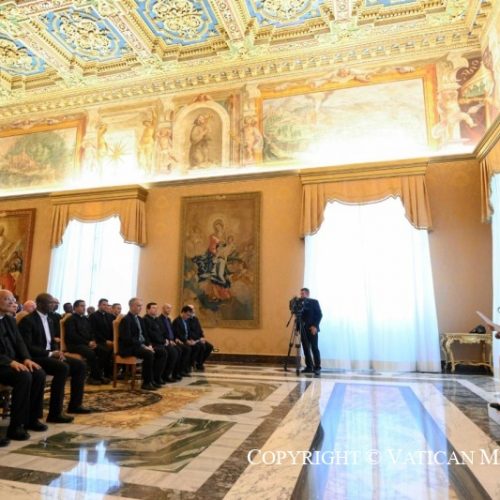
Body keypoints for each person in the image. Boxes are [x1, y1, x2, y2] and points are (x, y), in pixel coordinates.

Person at [18, 293, 92, 423]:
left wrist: (57, 351)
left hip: (49, 355)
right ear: (40, 304)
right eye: (50, 303)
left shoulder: (50, 320)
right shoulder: (28, 321)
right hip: (35, 357)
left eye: (54, 303)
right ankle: (55, 413)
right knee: (62, 368)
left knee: (80, 365)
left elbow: (51, 341)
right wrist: (51, 354)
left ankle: (75, 405)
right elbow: (28, 346)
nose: (54, 305)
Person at [0, 290, 47, 445]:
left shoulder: (9, 320)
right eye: (7, 299)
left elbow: (19, 342)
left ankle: (31, 419)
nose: (12, 302)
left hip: (11, 362)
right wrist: (10, 362)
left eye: (13, 299)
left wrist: (26, 359)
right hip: (2, 363)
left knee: (38, 372)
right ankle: (16, 426)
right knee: (23, 376)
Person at [65, 299, 111, 384]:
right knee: (91, 353)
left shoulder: (85, 319)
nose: (84, 308)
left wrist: (93, 341)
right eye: (82, 306)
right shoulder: (71, 319)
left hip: (86, 344)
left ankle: (94, 375)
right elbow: (73, 336)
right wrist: (88, 343)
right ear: (75, 308)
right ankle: (96, 377)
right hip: (75, 345)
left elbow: (91, 332)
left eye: (84, 306)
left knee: (104, 351)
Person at [118, 297, 159, 391]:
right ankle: (146, 383)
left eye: (141, 306)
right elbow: (127, 339)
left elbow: (145, 335)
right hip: (129, 347)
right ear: (131, 306)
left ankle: (154, 379)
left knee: (160, 351)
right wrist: (143, 346)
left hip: (139, 346)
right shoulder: (126, 320)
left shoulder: (140, 319)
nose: (141, 308)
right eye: (138, 306)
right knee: (149, 354)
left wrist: (149, 345)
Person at [142, 302, 169, 384]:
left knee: (174, 350)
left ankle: (163, 376)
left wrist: (166, 339)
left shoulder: (157, 319)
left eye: (156, 308)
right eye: (153, 308)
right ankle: (155, 378)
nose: (156, 309)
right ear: (147, 309)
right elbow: (150, 334)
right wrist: (162, 341)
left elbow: (163, 332)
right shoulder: (145, 320)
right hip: (152, 343)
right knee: (163, 352)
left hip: (160, 343)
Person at [88, 298, 115, 378]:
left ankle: (108, 374)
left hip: (109, 341)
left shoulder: (110, 316)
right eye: (104, 305)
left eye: (107, 305)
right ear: (98, 305)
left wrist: (113, 340)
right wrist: (105, 341)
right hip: (98, 341)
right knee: (105, 350)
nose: (106, 306)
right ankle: (96, 375)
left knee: (115, 350)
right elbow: (93, 331)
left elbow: (113, 330)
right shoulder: (93, 316)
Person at [158, 303, 185, 380]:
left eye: (170, 308)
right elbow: (162, 332)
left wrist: (175, 339)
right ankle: (166, 375)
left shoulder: (169, 319)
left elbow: (172, 331)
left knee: (181, 349)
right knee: (174, 352)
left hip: (172, 341)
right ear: (163, 309)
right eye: (167, 308)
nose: (169, 310)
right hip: (165, 342)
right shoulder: (159, 320)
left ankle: (175, 373)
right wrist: (169, 340)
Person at [299, 287, 322, 376]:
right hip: (303, 330)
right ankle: (309, 366)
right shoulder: (299, 304)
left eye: (303, 293)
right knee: (305, 348)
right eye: (301, 294)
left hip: (312, 329)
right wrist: (297, 329)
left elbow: (319, 315)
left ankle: (317, 367)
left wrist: (315, 326)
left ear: (308, 294)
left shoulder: (314, 302)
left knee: (314, 348)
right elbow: (299, 317)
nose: (301, 295)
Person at [171, 305, 196, 376]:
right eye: (187, 315)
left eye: (189, 315)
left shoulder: (186, 321)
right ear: (183, 312)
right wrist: (186, 341)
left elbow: (188, 332)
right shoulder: (177, 321)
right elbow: (177, 333)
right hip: (179, 340)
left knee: (195, 347)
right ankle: (180, 370)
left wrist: (191, 339)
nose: (188, 317)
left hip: (185, 340)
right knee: (187, 349)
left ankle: (187, 368)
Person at [187, 304, 213, 371]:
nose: (193, 311)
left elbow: (199, 329)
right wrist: (198, 339)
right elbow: (188, 332)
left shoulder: (195, 319)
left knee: (210, 347)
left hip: (199, 339)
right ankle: (193, 364)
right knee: (201, 346)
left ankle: (200, 363)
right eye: (191, 309)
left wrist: (202, 337)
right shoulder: (186, 320)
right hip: (192, 339)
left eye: (193, 309)